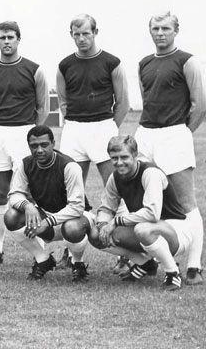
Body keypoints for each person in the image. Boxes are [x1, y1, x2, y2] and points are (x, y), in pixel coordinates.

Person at [134, 11, 206, 285]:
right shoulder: (144, 63)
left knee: (186, 204)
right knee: (145, 197)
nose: (160, 33)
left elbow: (201, 105)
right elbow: (146, 100)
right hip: (146, 133)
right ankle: (150, 259)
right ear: (150, 31)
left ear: (176, 30)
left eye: (166, 28)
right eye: (155, 28)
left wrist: (181, 133)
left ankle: (194, 266)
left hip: (175, 133)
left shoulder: (186, 61)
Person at [55, 14, 130, 273]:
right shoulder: (65, 65)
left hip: (103, 126)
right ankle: (70, 250)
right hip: (74, 129)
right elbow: (63, 102)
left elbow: (123, 103)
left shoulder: (112, 62)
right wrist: (75, 123)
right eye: (76, 34)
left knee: (118, 188)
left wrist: (108, 127)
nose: (81, 38)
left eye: (86, 33)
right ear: (71, 35)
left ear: (96, 31)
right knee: (70, 191)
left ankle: (125, 253)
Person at [0, 21, 49, 266]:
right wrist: (1, 124)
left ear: (18, 39)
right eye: (2, 38)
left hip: (25, 131)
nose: (6, 41)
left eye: (10, 37)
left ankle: (40, 247)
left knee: (29, 191)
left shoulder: (34, 69)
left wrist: (28, 130)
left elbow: (42, 108)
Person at [90, 136, 199, 291]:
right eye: (114, 158)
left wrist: (114, 222)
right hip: (147, 228)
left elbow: (151, 214)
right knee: (95, 234)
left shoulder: (150, 173)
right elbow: (107, 208)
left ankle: (172, 273)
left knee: (143, 229)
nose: (119, 163)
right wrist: (102, 225)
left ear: (135, 155)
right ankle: (146, 264)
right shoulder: (115, 177)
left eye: (124, 157)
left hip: (177, 229)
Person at [4, 125, 91, 282]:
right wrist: (28, 206)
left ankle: (78, 263)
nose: (39, 150)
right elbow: (14, 194)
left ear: (53, 143)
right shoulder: (26, 164)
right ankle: (42, 259)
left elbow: (77, 207)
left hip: (76, 218)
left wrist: (48, 221)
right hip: (46, 217)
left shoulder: (69, 166)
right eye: (34, 146)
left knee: (71, 227)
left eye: (44, 145)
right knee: (11, 216)